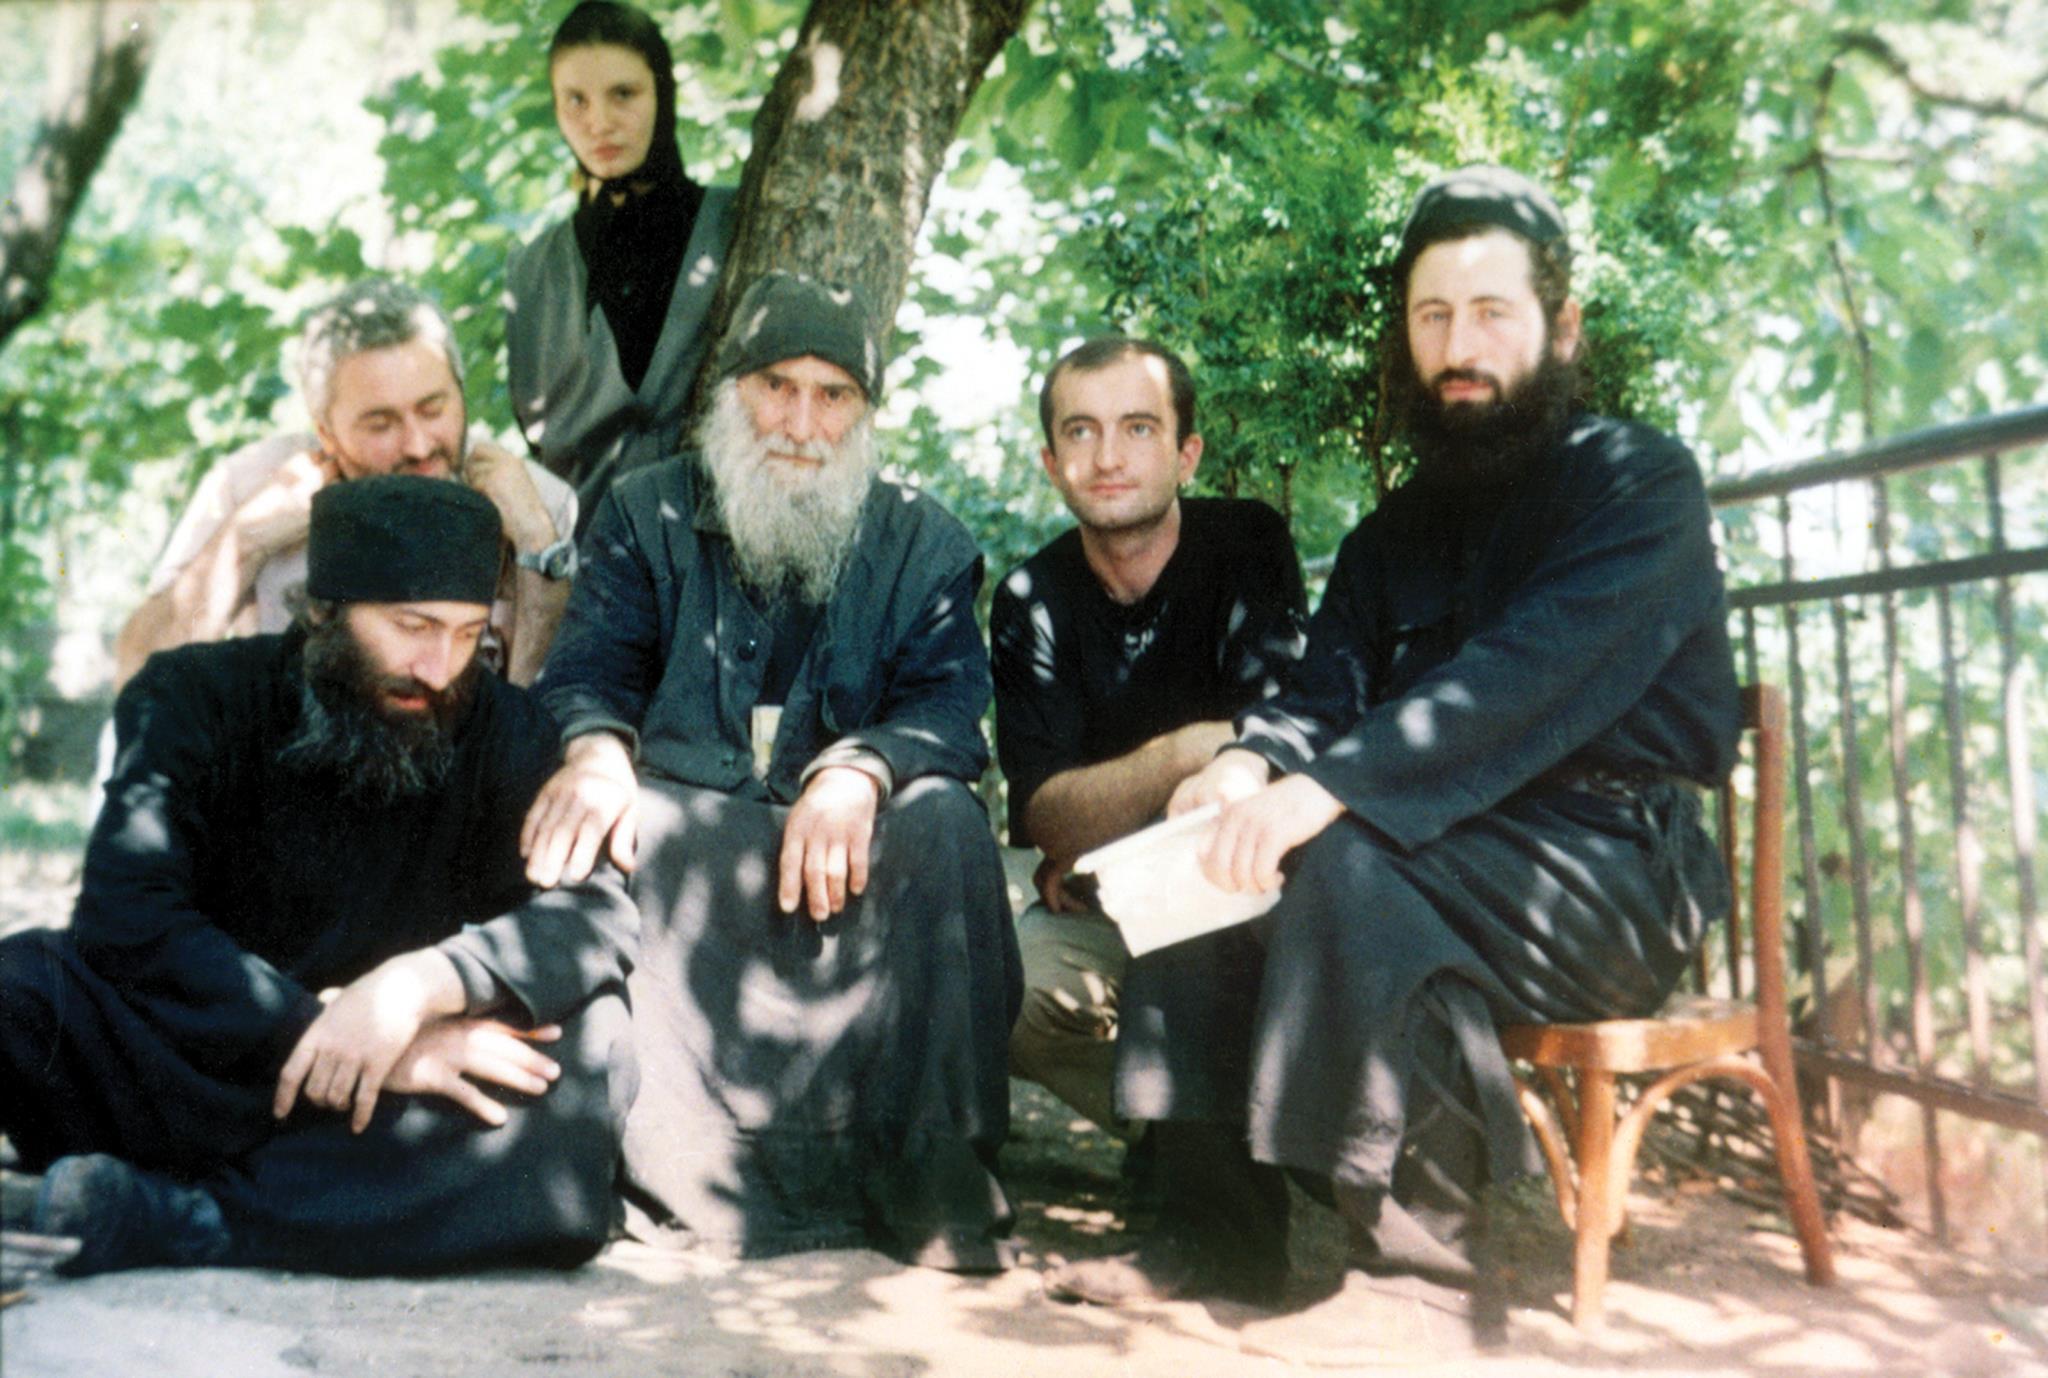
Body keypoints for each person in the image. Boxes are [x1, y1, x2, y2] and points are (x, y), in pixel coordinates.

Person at [1050, 166, 1741, 1354]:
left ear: (1560, 328)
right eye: (1432, 316)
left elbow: (1523, 680)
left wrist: (1324, 791)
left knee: (1353, 861)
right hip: (1440, 854)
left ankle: (1421, 1283)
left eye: (1489, 312)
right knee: (1212, 853)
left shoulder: (1637, 484)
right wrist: (1245, 770)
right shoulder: (1390, 536)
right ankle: (1207, 1232)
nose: (1457, 347)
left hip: (1606, 870)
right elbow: (1319, 697)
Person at [0, 476, 637, 1276]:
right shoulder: (190, 695)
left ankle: (187, 1219)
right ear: (322, 611)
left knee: (591, 1057)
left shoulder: (504, 728)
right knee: (22, 988)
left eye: (468, 633)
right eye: (412, 627)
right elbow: (125, 913)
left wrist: (420, 988)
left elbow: (596, 914)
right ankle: (288, 1202)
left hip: (392, 1097)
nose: (438, 668)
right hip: (212, 1051)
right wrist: (318, 1029)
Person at [523, 271, 1021, 1271]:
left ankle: (927, 1180)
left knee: (948, 821)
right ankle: (674, 1183)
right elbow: (587, 675)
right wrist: (597, 752)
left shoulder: (924, 541)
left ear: (865, 414)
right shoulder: (644, 514)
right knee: (603, 818)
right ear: (731, 393)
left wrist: (861, 769)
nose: (800, 422)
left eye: (832, 395)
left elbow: (948, 711)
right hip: (689, 848)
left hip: (855, 853)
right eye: (776, 387)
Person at [991, 336, 1304, 1135]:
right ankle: (1187, 1143)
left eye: (1137, 427)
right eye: (1081, 431)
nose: (1108, 457)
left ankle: (1278, 1145)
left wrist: (1098, 823)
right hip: (1111, 905)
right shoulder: (1031, 597)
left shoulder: (1246, 544)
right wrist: (1190, 752)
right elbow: (1048, 818)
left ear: (1186, 454)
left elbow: (1276, 743)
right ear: (1050, 462)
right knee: (1014, 995)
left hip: (1248, 886)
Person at [114, 276, 578, 690]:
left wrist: (536, 542)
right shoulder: (250, 486)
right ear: (326, 433)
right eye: (381, 424)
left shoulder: (531, 499)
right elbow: (139, 679)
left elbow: (556, 703)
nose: (418, 446)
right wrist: (246, 540)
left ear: (460, 392)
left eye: (433, 409)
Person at [506, 0, 739, 531]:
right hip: (584, 562)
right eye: (576, 101)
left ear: (662, 93)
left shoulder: (738, 224)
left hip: (721, 551)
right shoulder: (532, 273)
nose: (599, 123)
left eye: (623, 94)